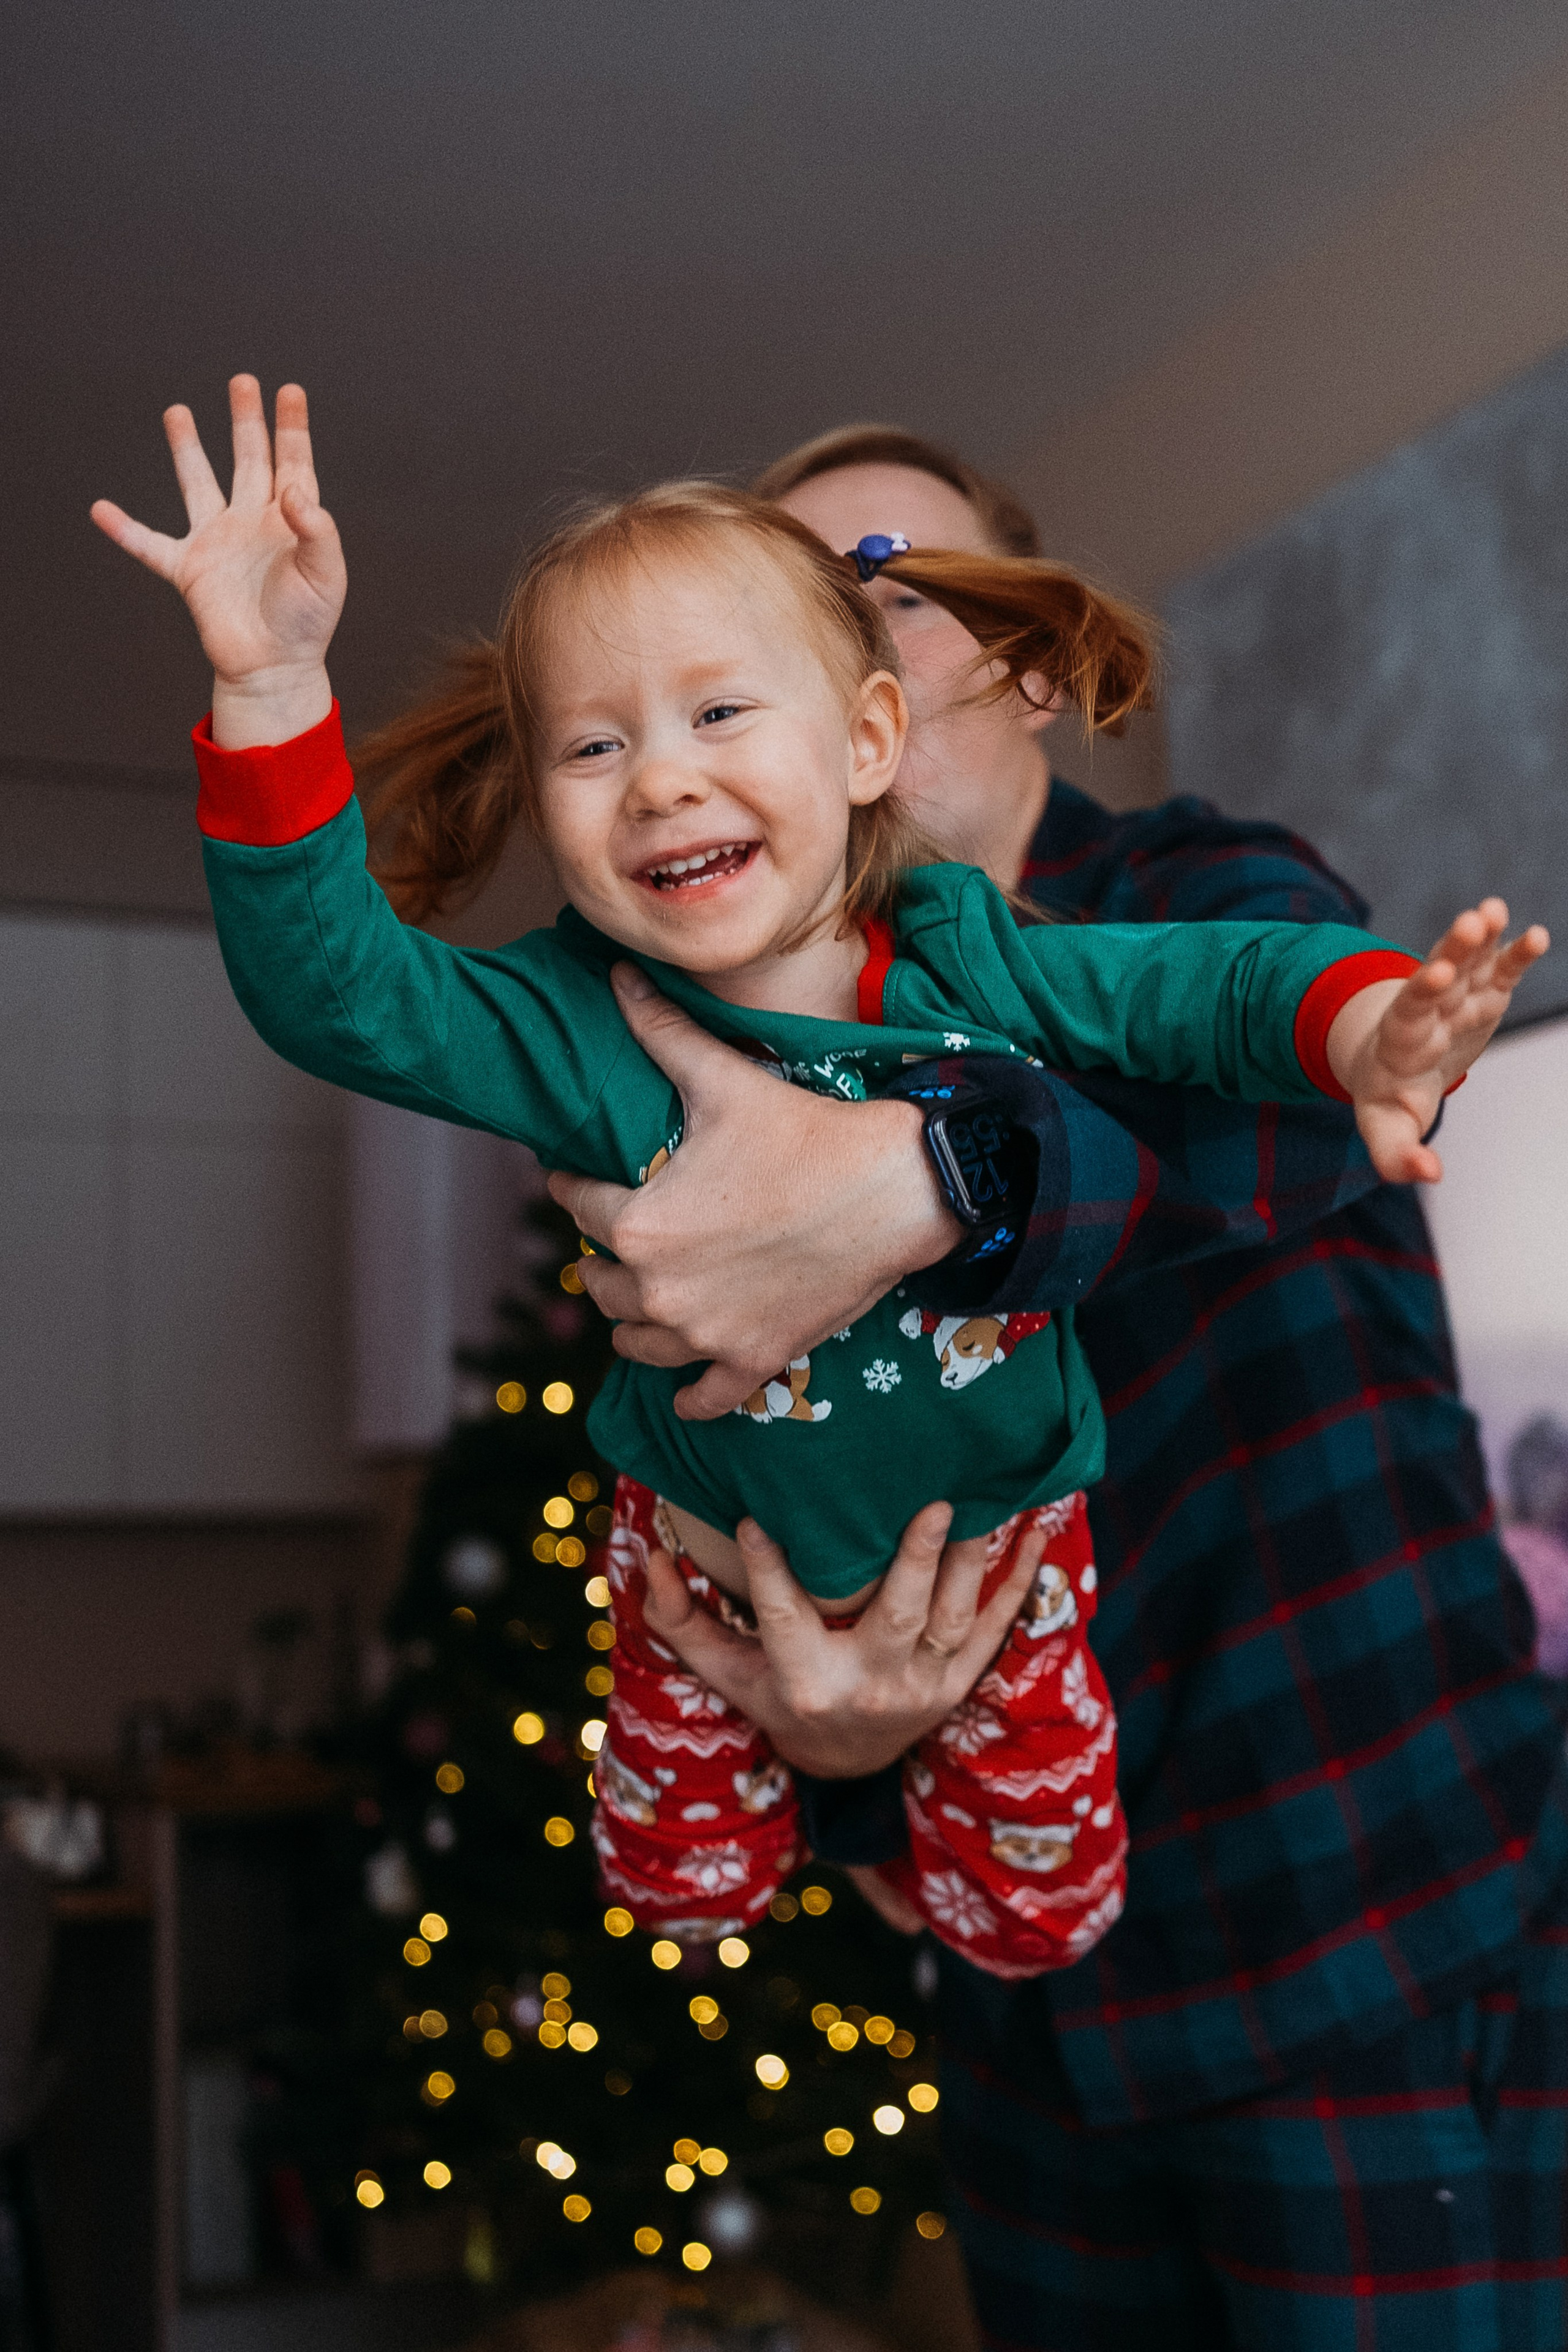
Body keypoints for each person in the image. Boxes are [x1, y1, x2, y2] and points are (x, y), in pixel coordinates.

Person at [90, 383, 1538, 1997]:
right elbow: (338, 989)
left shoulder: (1029, 936)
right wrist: (273, 688)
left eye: (885, 589)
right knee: (686, 1893)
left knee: (1045, 1913)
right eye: (595, 741)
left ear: (874, 726)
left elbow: (1235, 1025)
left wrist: (1363, 1025)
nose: (658, 779)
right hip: (745, 1606)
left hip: (1341, 1866)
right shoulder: (591, 1016)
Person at [545, 428, 1568, 2346]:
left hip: (1364, 1938)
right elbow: (757, 1507)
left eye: (883, 584)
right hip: (1029, 2018)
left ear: (1020, 668)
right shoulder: (716, 1078)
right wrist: (839, 1774)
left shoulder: (1198, 894)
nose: (820, 626)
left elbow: (1255, 1110)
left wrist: (911, 1187)